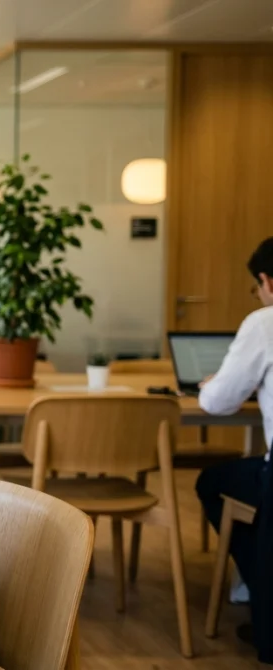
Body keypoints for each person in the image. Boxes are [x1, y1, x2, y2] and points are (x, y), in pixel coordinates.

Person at [195, 236, 273, 660]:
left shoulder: (264, 323)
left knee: (214, 482)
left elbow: (217, 403)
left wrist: (213, 385)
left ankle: (259, 590)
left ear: (267, 281)